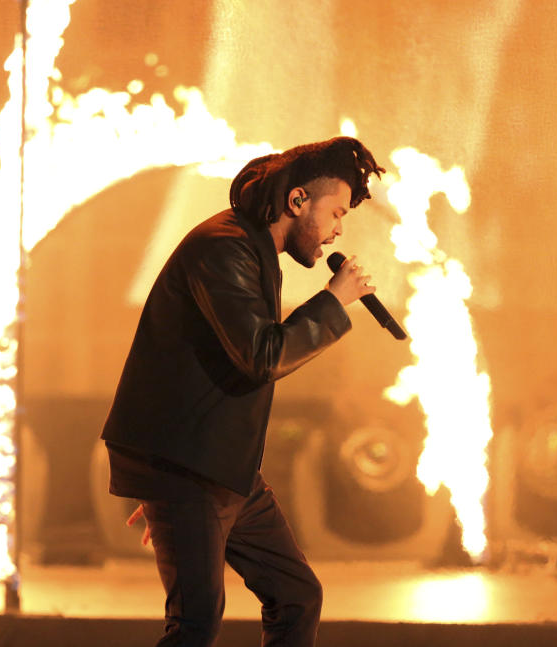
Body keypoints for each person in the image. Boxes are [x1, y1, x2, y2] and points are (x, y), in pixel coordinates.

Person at [100, 136, 384, 647]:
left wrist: (170, 497)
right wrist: (334, 301)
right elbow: (262, 355)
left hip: (214, 470)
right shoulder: (224, 246)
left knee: (297, 595)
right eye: (337, 212)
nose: (339, 229)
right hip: (188, 469)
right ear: (298, 201)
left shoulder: (252, 249)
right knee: (195, 623)